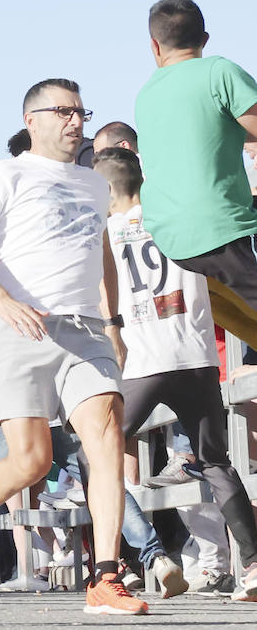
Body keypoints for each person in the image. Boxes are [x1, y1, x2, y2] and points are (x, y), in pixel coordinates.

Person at [0, 77, 146, 616]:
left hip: (83, 330)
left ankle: (106, 578)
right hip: (15, 328)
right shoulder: (4, 174)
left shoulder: (93, 184)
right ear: (31, 119)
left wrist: (115, 324)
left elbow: (103, 255)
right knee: (32, 460)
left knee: (106, 435)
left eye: (81, 111)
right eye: (63, 111)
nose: (75, 120)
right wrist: (4, 302)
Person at [94, 146, 257, 599]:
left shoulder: (103, 233)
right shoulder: (178, 220)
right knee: (217, 464)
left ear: (107, 190)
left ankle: (142, 558)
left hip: (141, 363)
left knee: (100, 456)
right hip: (197, 355)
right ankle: (254, 564)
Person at [135, 0, 257, 310]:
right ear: (204, 39)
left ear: (155, 46)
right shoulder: (219, 71)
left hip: (170, 238)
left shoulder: (147, 93)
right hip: (218, 229)